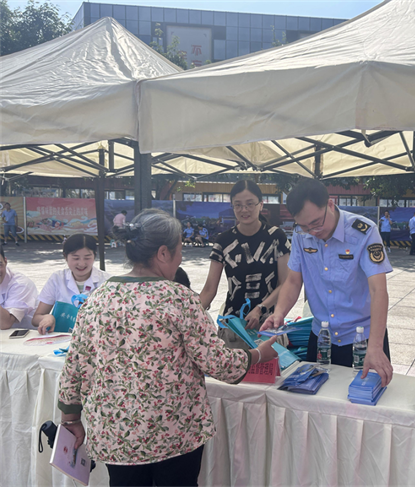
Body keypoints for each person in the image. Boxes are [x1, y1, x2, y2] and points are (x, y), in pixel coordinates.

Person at [57, 209, 278, 487]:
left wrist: (70, 419)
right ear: (163, 253)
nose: (181, 258)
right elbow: (218, 363)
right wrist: (259, 354)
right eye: (180, 250)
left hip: (117, 434)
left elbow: (75, 366)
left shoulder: (98, 298)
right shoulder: (180, 299)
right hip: (174, 434)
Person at [261, 179, 394, 386]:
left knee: (364, 399)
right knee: (314, 399)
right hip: (322, 337)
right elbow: (293, 281)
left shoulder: (364, 232)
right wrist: (279, 313)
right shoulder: (300, 234)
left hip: (363, 339)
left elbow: (378, 290)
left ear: (330, 204)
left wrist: (375, 347)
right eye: (304, 226)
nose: (312, 231)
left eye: (316, 223)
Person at [200, 180, 291, 329]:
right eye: (238, 205)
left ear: (260, 205)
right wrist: (190, 317)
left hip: (268, 325)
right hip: (234, 325)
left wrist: (260, 309)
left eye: (250, 204)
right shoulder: (223, 241)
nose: (244, 210)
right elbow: (209, 289)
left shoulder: (276, 237)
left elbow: (285, 283)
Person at [32, 234, 111, 335]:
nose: (81, 264)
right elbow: (36, 319)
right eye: (76, 258)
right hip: (61, 339)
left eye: (87, 258)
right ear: (65, 256)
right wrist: (47, 318)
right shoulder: (57, 278)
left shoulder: (108, 281)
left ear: (94, 256)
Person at [0, 245, 38, 329]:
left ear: (5, 262)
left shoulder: (20, 284)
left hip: (25, 335)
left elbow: (5, 323)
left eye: (0, 265)